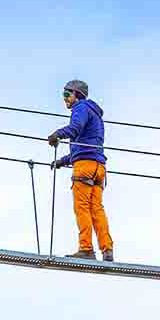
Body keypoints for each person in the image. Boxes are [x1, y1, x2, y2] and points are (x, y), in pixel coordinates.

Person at [44, 79, 114, 262]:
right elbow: (84, 147)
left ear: (77, 95)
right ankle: (107, 249)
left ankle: (86, 248)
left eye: (67, 94)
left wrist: (57, 134)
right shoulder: (95, 115)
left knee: (82, 208)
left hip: (84, 167)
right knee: (97, 209)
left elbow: (75, 129)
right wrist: (62, 161)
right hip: (98, 168)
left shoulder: (81, 108)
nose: (65, 99)